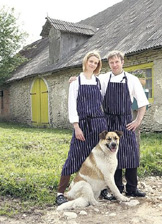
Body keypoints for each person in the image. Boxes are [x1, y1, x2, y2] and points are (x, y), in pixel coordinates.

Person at [56, 51, 108, 206]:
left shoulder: (99, 81)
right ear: (85, 62)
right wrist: (76, 127)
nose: (93, 64)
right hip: (83, 125)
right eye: (91, 61)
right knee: (73, 158)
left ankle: (102, 190)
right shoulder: (76, 82)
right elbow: (72, 105)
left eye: (96, 63)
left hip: (99, 125)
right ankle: (60, 193)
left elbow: (115, 80)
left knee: (99, 159)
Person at [99, 50, 149, 198]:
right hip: (109, 122)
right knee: (112, 156)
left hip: (126, 122)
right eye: (111, 62)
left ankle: (132, 188)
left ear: (122, 62)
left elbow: (142, 103)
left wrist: (137, 121)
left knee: (132, 155)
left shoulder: (132, 79)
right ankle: (117, 190)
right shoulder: (103, 78)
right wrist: (76, 79)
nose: (114, 65)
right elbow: (88, 81)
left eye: (117, 62)